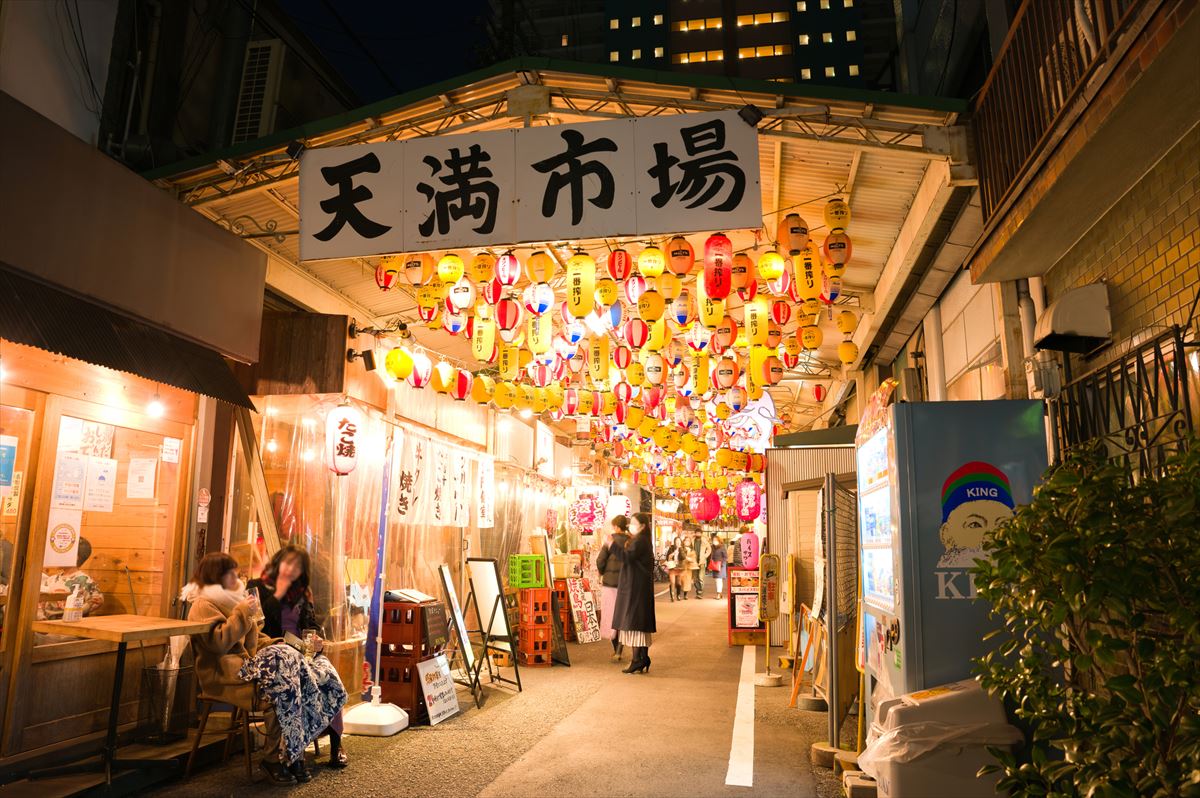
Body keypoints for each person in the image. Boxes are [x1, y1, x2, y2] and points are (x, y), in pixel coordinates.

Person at [181, 553, 291, 784]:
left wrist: (276, 643)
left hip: (245, 668)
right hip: (222, 675)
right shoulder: (203, 604)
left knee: (297, 676)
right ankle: (272, 759)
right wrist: (242, 613)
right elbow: (219, 643)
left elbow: (253, 640)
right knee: (280, 691)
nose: (237, 576)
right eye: (231, 573)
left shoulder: (233, 599)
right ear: (217, 576)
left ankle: (291, 756)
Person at [248, 545, 349, 769]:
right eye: (288, 562)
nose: (292, 569)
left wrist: (317, 641)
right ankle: (295, 749)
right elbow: (257, 625)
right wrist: (279, 592)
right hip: (275, 654)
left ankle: (336, 744)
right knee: (306, 678)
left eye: (298, 566)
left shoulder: (302, 593)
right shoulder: (256, 587)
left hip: (303, 651)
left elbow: (311, 625)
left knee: (329, 675)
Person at [611, 512, 656, 674]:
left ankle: (637, 659)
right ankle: (642, 658)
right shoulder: (642, 540)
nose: (631, 525)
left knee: (635, 624)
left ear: (642, 526)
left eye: (634, 523)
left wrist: (612, 545)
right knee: (638, 624)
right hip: (638, 588)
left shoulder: (640, 541)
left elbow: (626, 557)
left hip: (635, 589)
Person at [38, 537, 103, 620]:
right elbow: (40, 603)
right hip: (46, 626)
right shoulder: (51, 580)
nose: (57, 556)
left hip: (71, 626)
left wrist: (71, 614)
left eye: (62, 553)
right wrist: (41, 618)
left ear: (75, 557)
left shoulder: (86, 581)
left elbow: (95, 602)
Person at [595, 516, 630, 661]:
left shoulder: (609, 540)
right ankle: (619, 650)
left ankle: (615, 649)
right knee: (622, 616)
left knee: (610, 616)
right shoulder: (630, 541)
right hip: (625, 585)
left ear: (615, 526)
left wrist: (603, 572)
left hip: (610, 585)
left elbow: (600, 560)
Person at [664, 535, 685, 602]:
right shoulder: (671, 548)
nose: (678, 542)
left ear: (681, 542)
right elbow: (667, 557)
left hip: (679, 567)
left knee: (678, 583)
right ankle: (672, 596)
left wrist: (680, 549)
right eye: (676, 541)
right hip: (672, 567)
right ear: (674, 542)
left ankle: (678, 595)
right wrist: (673, 554)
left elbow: (683, 557)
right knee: (672, 582)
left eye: (679, 541)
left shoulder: (682, 548)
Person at [691, 530, 711, 598]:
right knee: (695, 578)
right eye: (696, 532)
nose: (698, 534)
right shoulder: (692, 540)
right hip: (694, 562)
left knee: (701, 577)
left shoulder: (704, 541)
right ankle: (698, 591)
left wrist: (705, 556)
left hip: (701, 561)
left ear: (701, 534)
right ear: (695, 533)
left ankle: (700, 592)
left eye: (699, 533)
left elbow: (709, 549)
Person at [708, 533, 728, 599]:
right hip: (714, 565)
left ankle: (718, 594)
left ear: (719, 541)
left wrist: (721, 563)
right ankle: (720, 593)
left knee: (719, 579)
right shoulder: (712, 547)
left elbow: (725, 557)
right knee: (717, 580)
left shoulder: (722, 547)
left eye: (716, 540)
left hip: (721, 566)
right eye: (713, 540)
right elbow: (711, 557)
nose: (714, 542)